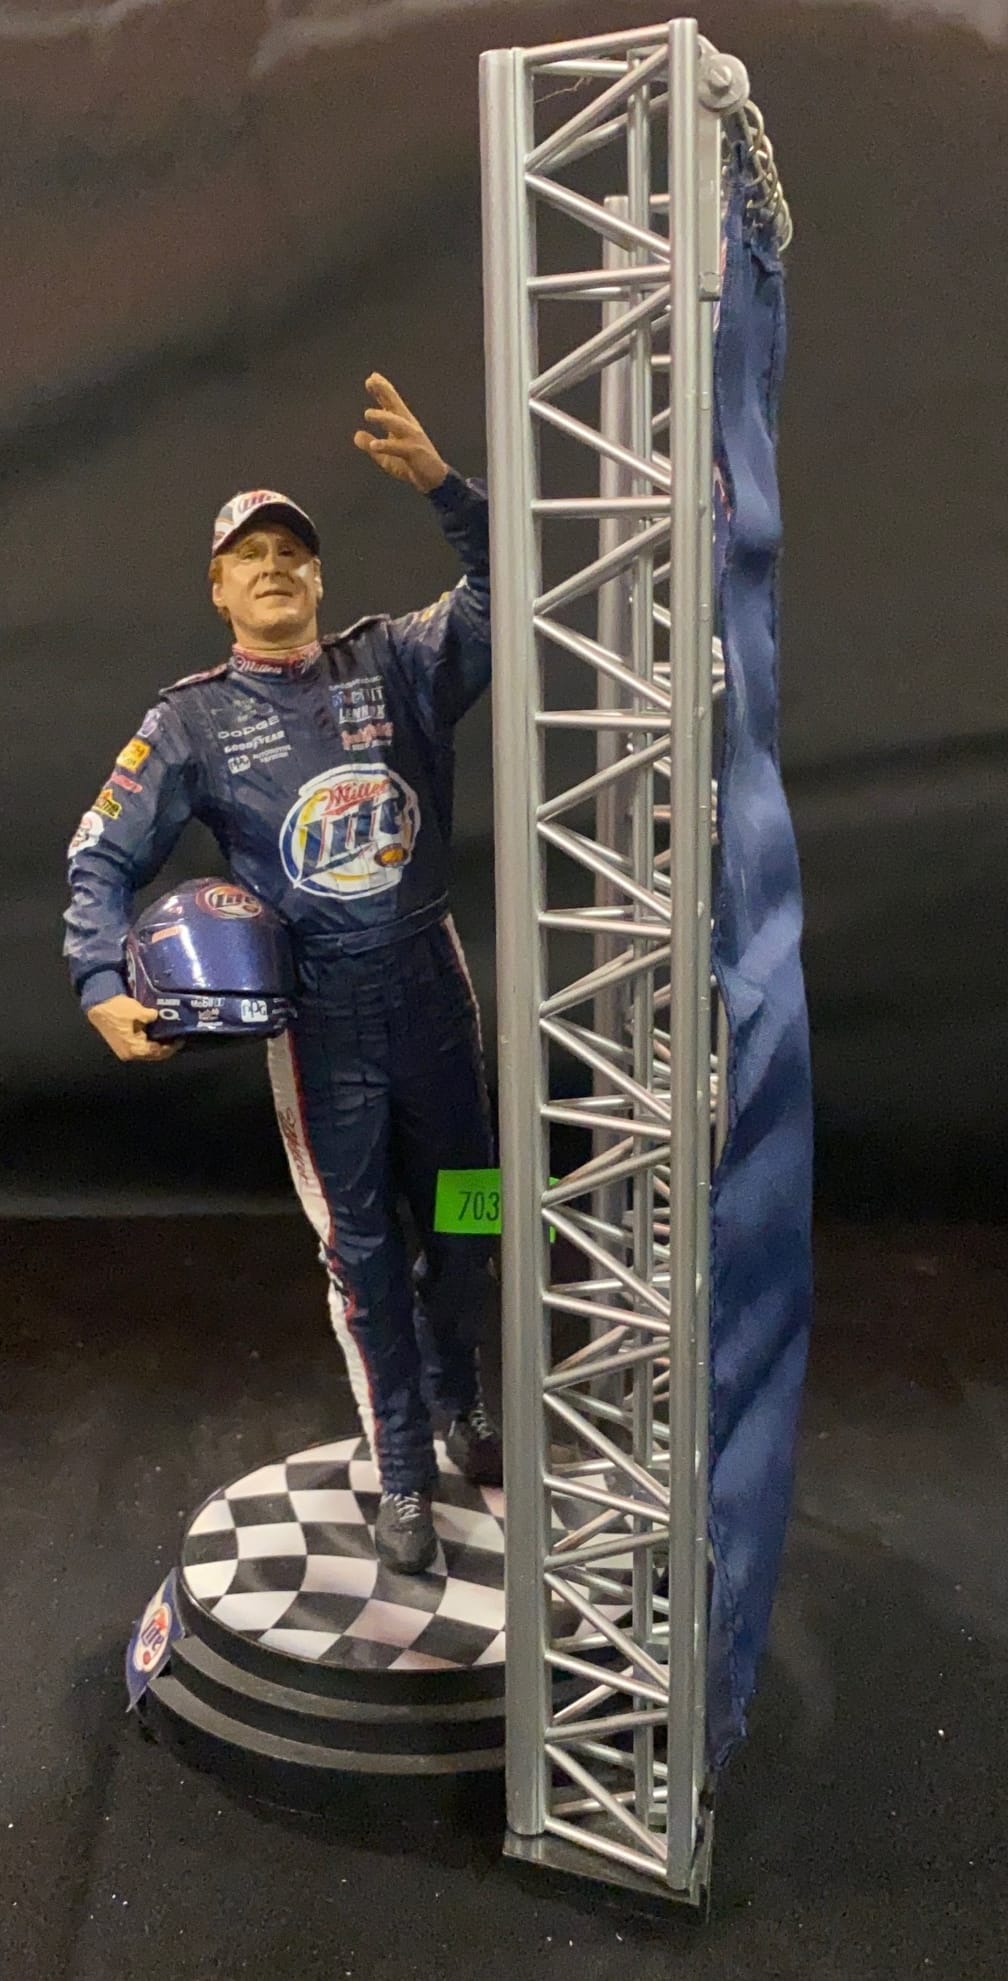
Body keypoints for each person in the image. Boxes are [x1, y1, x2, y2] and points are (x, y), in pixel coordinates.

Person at [64, 373, 501, 1575]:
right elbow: (101, 854)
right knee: (363, 1252)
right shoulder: (191, 722)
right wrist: (99, 979)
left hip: (434, 989)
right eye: (247, 555)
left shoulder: (396, 661)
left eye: (290, 551)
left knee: (474, 1211)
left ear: (317, 574)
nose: (272, 567)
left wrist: (445, 489)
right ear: (217, 587)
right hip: (318, 1017)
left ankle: (462, 1389)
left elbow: (508, 592)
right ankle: (403, 1464)